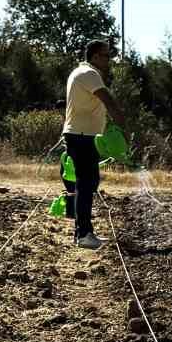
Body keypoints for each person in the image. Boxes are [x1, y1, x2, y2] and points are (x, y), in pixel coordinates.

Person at [61, 40, 129, 250]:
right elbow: (108, 100)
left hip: (82, 135)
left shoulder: (81, 72)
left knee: (88, 182)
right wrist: (123, 126)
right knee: (86, 183)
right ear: (95, 56)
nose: (109, 60)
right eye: (106, 56)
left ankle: (83, 232)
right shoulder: (89, 74)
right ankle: (84, 234)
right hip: (82, 136)